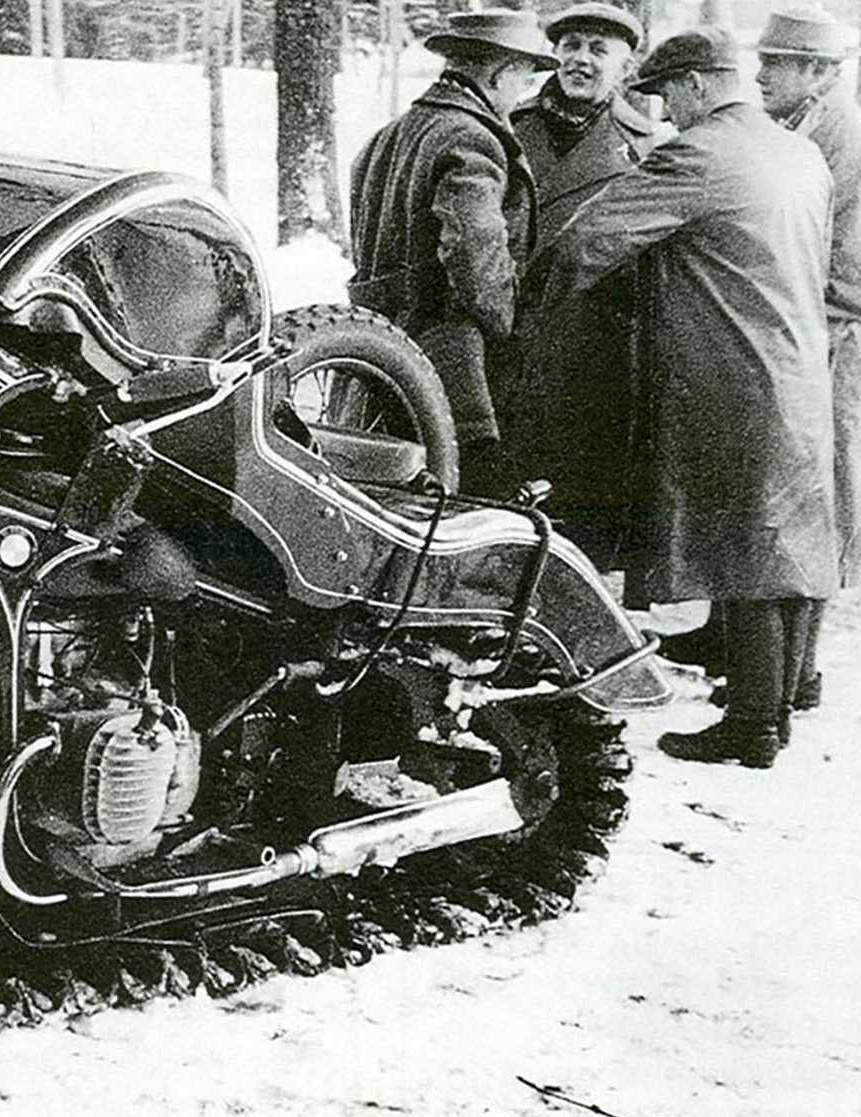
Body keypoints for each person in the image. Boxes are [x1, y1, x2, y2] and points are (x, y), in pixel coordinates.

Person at [538, 27, 838, 768]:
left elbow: (586, 242)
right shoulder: (801, 153)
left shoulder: (700, 151)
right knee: (788, 545)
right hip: (799, 369)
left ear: (700, 84)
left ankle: (753, 728)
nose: (665, 112)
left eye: (668, 94)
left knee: (750, 550)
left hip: (732, 380)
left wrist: (532, 318)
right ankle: (780, 705)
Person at [347, 9, 556, 497]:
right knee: (463, 514)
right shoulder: (472, 138)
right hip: (453, 368)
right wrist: (510, 328)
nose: (523, 92)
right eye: (524, 77)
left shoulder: (388, 136)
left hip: (374, 355)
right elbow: (473, 257)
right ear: (500, 74)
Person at [499, 3, 669, 563]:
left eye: (599, 50)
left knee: (584, 492)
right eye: (571, 46)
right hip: (510, 333)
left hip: (596, 346)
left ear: (625, 64)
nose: (580, 60)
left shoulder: (647, 146)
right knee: (506, 486)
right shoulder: (507, 125)